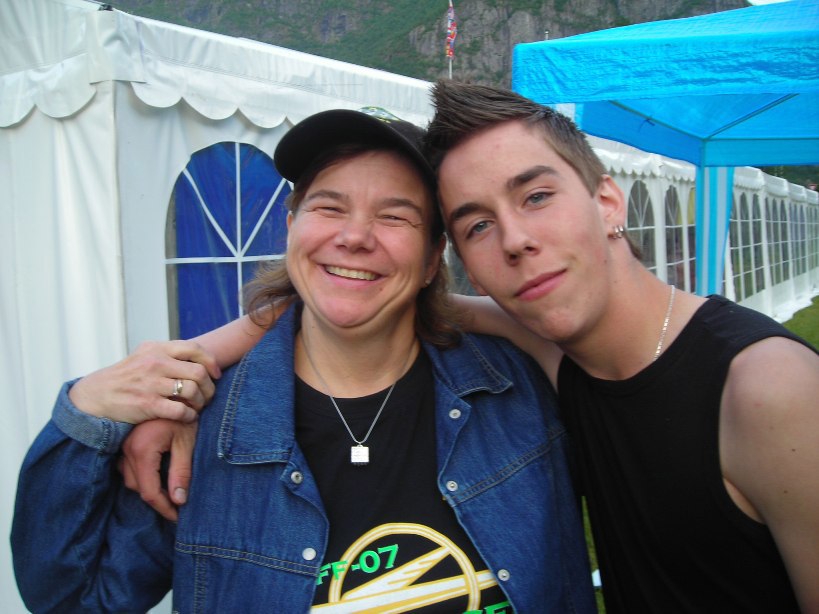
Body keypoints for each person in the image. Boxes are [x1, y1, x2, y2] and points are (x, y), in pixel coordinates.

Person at [120, 81, 818, 613]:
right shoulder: (560, 356)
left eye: (536, 196)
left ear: (608, 201)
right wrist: (182, 375)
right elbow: (363, 296)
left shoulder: (766, 388)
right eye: (477, 225)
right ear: (458, 262)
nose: (514, 239)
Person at [12, 107, 596, 613]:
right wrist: (87, 412)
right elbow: (73, 597)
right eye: (329, 207)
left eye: (394, 216)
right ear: (292, 229)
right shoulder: (205, 430)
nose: (355, 236)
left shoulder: (519, 387)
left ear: (430, 259)